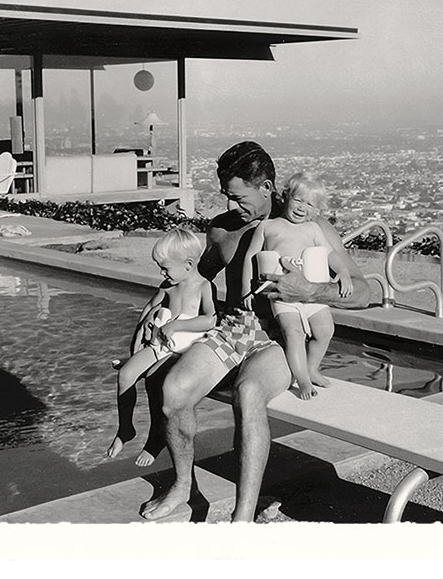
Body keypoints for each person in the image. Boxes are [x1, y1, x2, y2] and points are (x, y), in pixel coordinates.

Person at [140, 141, 371, 523]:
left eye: (238, 197)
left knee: (248, 394)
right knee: (174, 391)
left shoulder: (306, 225)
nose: (231, 205)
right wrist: (156, 305)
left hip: (281, 337)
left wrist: (311, 291)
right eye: (227, 196)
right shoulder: (222, 230)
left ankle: (242, 518)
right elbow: (194, 276)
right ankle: (182, 486)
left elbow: (363, 292)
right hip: (234, 329)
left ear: (266, 187)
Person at [106, 228, 217, 466]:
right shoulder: (168, 286)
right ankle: (125, 429)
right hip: (159, 346)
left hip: (183, 351)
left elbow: (210, 320)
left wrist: (177, 325)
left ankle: (155, 438)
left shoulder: (203, 287)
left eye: (165, 268)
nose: (161, 273)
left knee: (155, 380)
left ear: (188, 264)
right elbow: (148, 310)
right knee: (125, 375)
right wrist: (137, 343)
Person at [241, 172, 353, 400]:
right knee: (294, 333)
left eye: (310, 204)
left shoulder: (313, 229)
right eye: (298, 200)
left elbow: (330, 254)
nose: (302, 207)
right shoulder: (268, 226)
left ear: (316, 210)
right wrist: (246, 288)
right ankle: (302, 380)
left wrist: (343, 272)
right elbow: (250, 257)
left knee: (325, 330)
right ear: (286, 197)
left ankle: (312, 368)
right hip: (282, 294)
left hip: (309, 290)